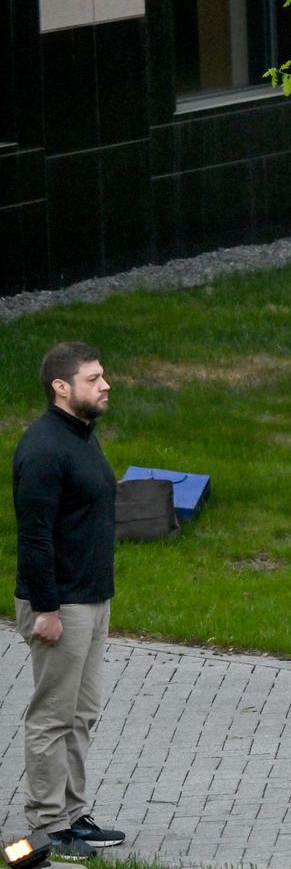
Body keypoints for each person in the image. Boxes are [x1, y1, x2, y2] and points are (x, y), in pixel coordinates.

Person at [12, 342, 128, 859]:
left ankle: (74, 815)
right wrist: (47, 610)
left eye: (103, 376)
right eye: (94, 378)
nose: (106, 385)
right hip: (60, 606)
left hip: (92, 599)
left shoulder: (83, 436)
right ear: (62, 387)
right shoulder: (43, 448)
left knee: (81, 715)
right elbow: (33, 537)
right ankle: (46, 825)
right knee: (52, 717)